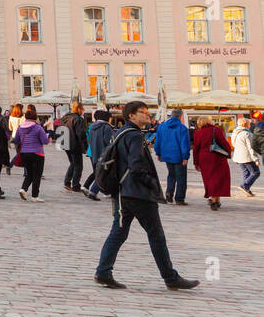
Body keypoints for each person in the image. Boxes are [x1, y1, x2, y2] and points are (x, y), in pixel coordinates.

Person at [94, 101, 200, 291]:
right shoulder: (135, 136)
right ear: (132, 116)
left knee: (119, 233)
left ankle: (103, 272)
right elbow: (136, 166)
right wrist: (151, 182)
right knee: (156, 235)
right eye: (143, 112)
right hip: (138, 193)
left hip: (123, 193)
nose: (148, 115)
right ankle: (170, 277)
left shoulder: (121, 132)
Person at [151, 108, 192, 205]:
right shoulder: (182, 128)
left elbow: (158, 142)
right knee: (181, 177)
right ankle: (179, 198)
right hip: (178, 156)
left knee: (171, 175)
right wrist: (185, 157)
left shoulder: (161, 127)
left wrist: (158, 153)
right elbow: (184, 144)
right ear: (180, 116)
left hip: (166, 155)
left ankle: (169, 192)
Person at [191, 115, 231, 210]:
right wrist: (228, 153)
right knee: (219, 178)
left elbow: (195, 149)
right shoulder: (217, 130)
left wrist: (196, 163)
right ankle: (216, 200)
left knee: (209, 179)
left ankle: (214, 199)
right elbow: (224, 143)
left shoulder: (198, 133)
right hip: (218, 157)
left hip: (204, 158)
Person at [13, 105, 50, 201]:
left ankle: (23, 189)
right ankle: (34, 196)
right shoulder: (38, 127)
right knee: (37, 175)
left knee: (29, 174)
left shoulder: (20, 127)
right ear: (35, 117)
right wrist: (47, 137)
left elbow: (16, 140)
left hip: (24, 153)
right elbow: (45, 141)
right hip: (37, 153)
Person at [58, 101, 89, 193]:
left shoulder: (65, 118)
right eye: (82, 109)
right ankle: (75, 185)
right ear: (79, 109)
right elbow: (81, 134)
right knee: (78, 166)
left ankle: (67, 182)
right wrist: (85, 146)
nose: (83, 111)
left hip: (66, 144)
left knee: (73, 163)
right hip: (75, 145)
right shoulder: (78, 119)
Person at [84, 109, 114, 200]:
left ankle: (102, 191)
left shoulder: (92, 127)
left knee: (100, 173)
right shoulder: (107, 127)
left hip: (94, 153)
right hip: (104, 154)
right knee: (104, 173)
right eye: (110, 118)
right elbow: (109, 142)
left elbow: (89, 140)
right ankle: (94, 191)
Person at [230, 114, 260, 197]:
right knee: (256, 172)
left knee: (246, 173)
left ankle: (246, 190)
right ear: (246, 124)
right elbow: (251, 147)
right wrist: (256, 159)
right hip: (247, 157)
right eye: (249, 124)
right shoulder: (247, 134)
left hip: (238, 157)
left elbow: (234, 144)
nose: (250, 125)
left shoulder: (235, 132)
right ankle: (245, 186)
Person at [5, 104, 24, 174]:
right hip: (21, 137)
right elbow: (23, 127)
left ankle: (26, 171)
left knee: (21, 153)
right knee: (21, 153)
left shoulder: (11, 117)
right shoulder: (22, 117)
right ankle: (9, 165)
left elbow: (10, 128)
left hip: (14, 136)